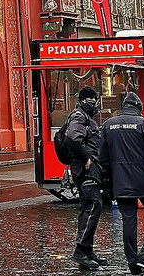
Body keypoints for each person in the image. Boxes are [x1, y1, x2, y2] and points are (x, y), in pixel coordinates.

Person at [97, 90, 144, 276]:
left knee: (128, 220)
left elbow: (102, 158)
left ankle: (133, 262)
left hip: (120, 182)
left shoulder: (107, 125)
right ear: (139, 108)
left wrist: (106, 183)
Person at [59, 85, 108, 271]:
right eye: (90, 99)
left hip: (89, 169)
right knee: (92, 205)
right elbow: (72, 137)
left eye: (95, 99)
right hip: (85, 170)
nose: (94, 103)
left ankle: (87, 250)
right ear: (82, 100)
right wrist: (86, 156)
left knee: (89, 206)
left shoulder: (84, 116)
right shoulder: (79, 116)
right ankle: (81, 250)